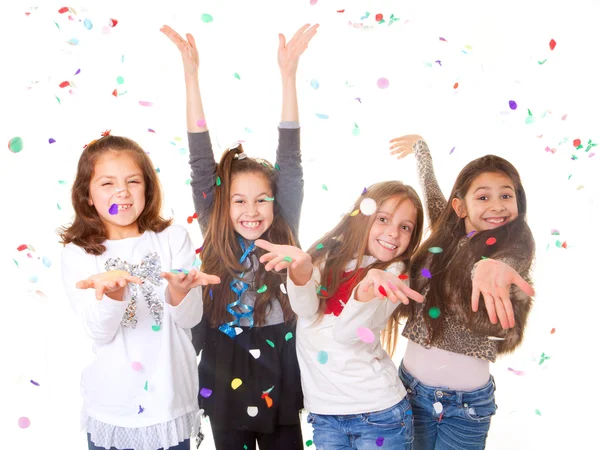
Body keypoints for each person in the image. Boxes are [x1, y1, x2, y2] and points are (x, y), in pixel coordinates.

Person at [161, 23, 318, 450]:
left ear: (276, 202)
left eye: (261, 200)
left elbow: (291, 158)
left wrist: (289, 77)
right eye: (238, 201)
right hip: (223, 354)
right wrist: (191, 78)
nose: (251, 212)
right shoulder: (215, 234)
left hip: (277, 352)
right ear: (221, 205)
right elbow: (199, 160)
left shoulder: (283, 226)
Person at [59, 133, 220, 450]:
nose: (122, 191)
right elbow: (98, 331)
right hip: (113, 405)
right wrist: (114, 297)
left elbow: (188, 320)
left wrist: (179, 292)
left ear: (147, 187)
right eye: (107, 183)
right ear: (87, 195)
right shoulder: (79, 253)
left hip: (171, 399)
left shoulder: (173, 238)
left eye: (132, 181)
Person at [388, 134, 536, 449]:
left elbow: (508, 263)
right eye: (483, 197)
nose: (497, 206)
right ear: (460, 206)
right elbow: (430, 190)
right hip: (409, 390)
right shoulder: (446, 230)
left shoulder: (517, 244)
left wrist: (484, 267)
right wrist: (421, 148)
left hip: (466, 407)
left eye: (506, 196)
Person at [254, 181, 426, 449]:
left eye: (405, 227)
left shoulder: (395, 275)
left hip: (378, 414)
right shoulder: (330, 254)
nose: (393, 233)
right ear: (363, 216)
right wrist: (301, 269)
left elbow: (347, 334)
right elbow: (305, 309)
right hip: (325, 415)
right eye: (383, 219)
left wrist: (366, 291)